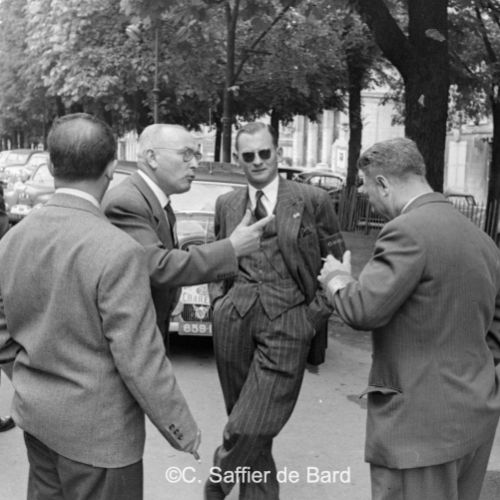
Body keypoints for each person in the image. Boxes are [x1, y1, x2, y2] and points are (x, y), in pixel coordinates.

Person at [0, 113, 200, 500]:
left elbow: (2, 330)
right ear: (111, 167)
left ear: (50, 165)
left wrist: (27, 380)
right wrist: (182, 429)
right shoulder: (119, 251)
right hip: (102, 439)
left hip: (38, 423)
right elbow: (139, 358)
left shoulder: (12, 240)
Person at [318, 137, 500, 500]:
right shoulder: (482, 240)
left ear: (383, 183)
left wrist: (336, 279)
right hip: (474, 421)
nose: (365, 195)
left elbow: (363, 309)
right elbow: (495, 328)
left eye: (366, 186)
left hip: (418, 432)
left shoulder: (406, 231)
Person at [205, 122, 346, 499]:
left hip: (289, 322)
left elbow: (338, 264)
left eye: (265, 153)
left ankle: (218, 479)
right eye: (248, 155)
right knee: (251, 427)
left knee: (252, 423)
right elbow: (217, 257)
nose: (258, 161)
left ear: (278, 154)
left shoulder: (312, 200)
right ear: (238, 159)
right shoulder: (227, 204)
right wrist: (219, 304)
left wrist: (312, 317)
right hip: (233, 321)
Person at [103, 124, 271, 349]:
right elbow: (158, 267)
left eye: (196, 155)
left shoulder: (151, 200)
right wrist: (231, 248)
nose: (194, 164)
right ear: (152, 157)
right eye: (186, 154)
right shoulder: (127, 202)